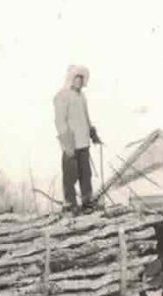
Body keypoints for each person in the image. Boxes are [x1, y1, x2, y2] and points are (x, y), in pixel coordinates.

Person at [53, 65, 102, 215]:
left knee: (85, 174)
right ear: (70, 79)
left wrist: (92, 134)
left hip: (83, 142)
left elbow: (86, 117)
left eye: (81, 79)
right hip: (71, 143)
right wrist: (67, 142)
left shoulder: (82, 97)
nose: (79, 82)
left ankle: (87, 202)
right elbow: (60, 121)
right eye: (76, 78)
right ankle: (70, 204)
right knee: (70, 175)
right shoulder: (62, 96)